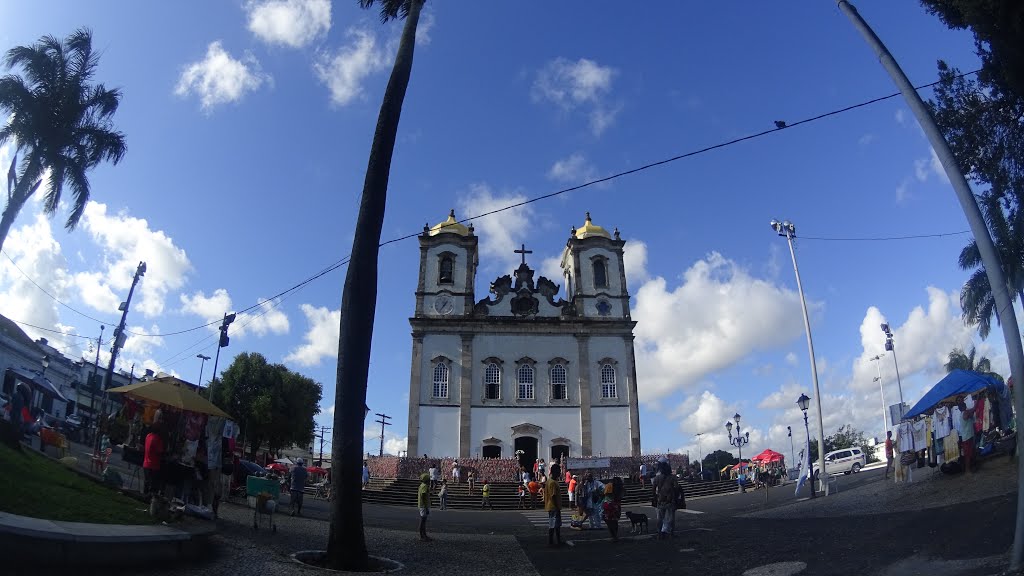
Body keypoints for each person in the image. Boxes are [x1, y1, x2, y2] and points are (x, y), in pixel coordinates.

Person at [143, 411, 165, 498]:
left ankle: (144, 497)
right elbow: (160, 451)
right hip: (154, 465)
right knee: (153, 486)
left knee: (146, 482)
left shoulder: (148, 436)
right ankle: (150, 499)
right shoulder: (157, 439)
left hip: (146, 463)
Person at [654, 458, 676, 539]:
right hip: (670, 500)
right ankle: (671, 533)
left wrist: (656, 497)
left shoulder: (657, 478)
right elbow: (676, 487)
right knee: (671, 518)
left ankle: (659, 533)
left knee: (660, 518)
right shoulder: (672, 477)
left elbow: (653, 490)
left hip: (660, 499)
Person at [544, 464, 563, 547]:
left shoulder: (550, 481)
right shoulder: (552, 483)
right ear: (555, 472)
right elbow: (553, 495)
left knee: (554, 524)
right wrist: (557, 507)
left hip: (551, 506)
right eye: (559, 471)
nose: (560, 472)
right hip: (553, 506)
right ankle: (554, 541)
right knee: (555, 524)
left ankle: (554, 540)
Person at [417, 473, 431, 541]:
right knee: (422, 521)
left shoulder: (421, 485)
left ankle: (424, 535)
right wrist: (426, 507)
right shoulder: (425, 486)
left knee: (423, 521)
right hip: (423, 506)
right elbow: (423, 496)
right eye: (429, 479)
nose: (430, 480)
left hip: (421, 505)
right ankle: (421, 536)